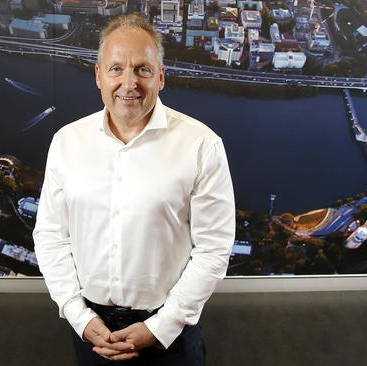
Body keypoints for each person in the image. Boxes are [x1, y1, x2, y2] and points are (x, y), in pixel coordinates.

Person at [33, 13, 235, 365]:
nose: (129, 83)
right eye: (116, 69)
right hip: (93, 333)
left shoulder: (202, 145)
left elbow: (214, 249)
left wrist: (161, 326)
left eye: (142, 69)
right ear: (98, 76)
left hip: (170, 336)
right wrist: (78, 316)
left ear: (161, 77)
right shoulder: (66, 142)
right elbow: (51, 236)